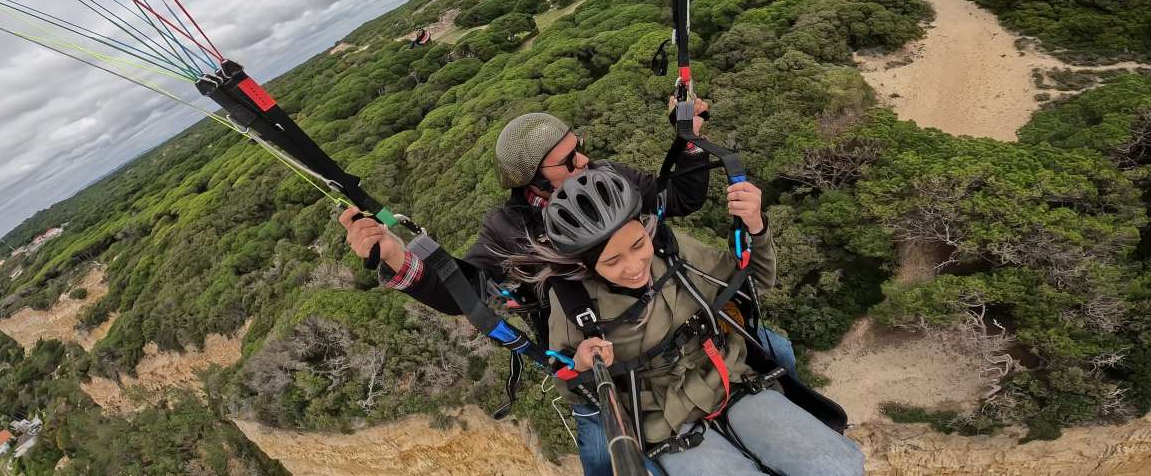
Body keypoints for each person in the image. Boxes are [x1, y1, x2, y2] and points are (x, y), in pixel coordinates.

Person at [339, 108, 799, 474]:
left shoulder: (608, 180)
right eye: (568, 161)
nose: (584, 162)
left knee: (774, 351)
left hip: (672, 321)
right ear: (533, 182)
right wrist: (401, 260)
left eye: (580, 149)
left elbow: (673, 199)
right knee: (607, 455)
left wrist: (692, 144)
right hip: (592, 353)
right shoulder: (512, 230)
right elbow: (470, 289)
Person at [507, 167, 864, 476]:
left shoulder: (671, 251)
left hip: (732, 383)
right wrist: (582, 365)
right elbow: (571, 384)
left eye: (636, 244)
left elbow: (751, 280)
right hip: (665, 424)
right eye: (612, 261)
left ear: (644, 228)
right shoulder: (574, 303)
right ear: (586, 266)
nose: (633, 267)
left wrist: (756, 226)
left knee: (841, 466)